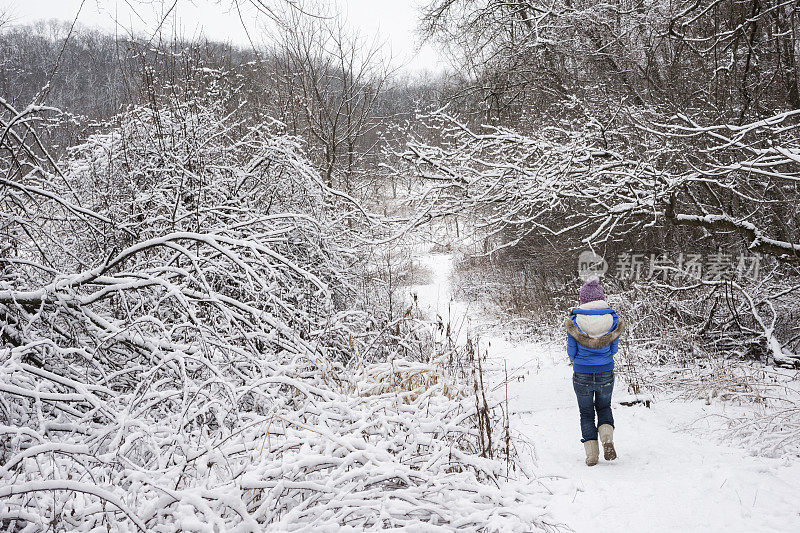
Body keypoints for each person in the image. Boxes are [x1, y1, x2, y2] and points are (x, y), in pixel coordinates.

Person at [565, 275, 625, 466]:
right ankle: (607, 439)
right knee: (604, 407)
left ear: (582, 299)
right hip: (605, 371)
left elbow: (571, 351)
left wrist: (579, 361)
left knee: (586, 412)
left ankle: (591, 454)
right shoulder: (612, 319)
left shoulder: (575, 320)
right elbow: (613, 350)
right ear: (602, 298)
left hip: (582, 372)